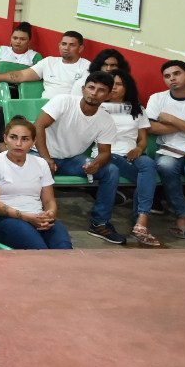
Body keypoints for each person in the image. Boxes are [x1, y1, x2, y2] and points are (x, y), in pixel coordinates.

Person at [36, 71, 122, 243]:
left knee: (111, 170)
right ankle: (37, 220)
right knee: (42, 169)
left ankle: (99, 223)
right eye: (91, 87)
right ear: (83, 89)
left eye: (101, 90)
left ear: (108, 95)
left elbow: (105, 152)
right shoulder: (63, 101)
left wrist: (96, 164)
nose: (94, 93)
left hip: (71, 160)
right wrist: (46, 158)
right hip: (39, 154)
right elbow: (39, 126)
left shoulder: (106, 119)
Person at [0, 118, 69, 249]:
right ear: (5, 138)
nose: (18, 143)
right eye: (13, 137)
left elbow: (49, 201)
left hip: (38, 216)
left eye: (25, 139)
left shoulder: (41, 163)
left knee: (64, 248)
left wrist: (49, 215)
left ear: (33, 142)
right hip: (7, 220)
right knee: (39, 249)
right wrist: (27, 217)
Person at [98, 71, 162, 246]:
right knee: (146, 175)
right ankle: (140, 221)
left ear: (127, 87)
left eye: (118, 84)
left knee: (148, 165)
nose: (114, 88)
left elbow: (143, 139)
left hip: (131, 154)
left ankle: (141, 218)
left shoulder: (136, 108)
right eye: (111, 84)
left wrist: (139, 148)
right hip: (107, 154)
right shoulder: (99, 107)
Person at [145, 59, 185, 241]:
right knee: (165, 166)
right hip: (169, 148)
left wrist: (172, 120)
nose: (172, 78)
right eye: (167, 76)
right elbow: (150, 128)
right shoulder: (157, 98)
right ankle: (182, 216)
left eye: (177, 73)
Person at [0, 30, 90, 98]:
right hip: (44, 107)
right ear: (59, 45)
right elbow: (21, 75)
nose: (66, 48)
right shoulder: (49, 62)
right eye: (64, 44)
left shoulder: (86, 67)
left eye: (72, 45)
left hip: (68, 110)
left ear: (80, 48)